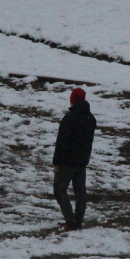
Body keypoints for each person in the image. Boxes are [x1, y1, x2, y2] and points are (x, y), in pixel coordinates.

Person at [53, 88, 96, 229]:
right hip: (82, 161)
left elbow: (62, 142)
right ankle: (78, 220)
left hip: (67, 161)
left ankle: (70, 221)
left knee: (59, 189)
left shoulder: (69, 118)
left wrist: (57, 162)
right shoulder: (91, 119)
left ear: (73, 99)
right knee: (80, 192)